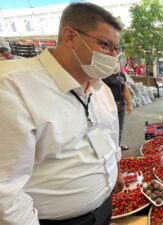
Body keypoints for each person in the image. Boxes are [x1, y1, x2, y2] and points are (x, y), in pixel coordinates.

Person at [0, 3, 125, 225]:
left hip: (105, 208)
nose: (113, 56)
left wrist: (116, 170)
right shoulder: (11, 87)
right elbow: (5, 192)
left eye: (116, 49)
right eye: (105, 45)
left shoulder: (100, 89)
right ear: (70, 36)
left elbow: (109, 136)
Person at [103, 62, 133, 151]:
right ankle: (109, 148)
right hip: (108, 106)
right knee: (109, 128)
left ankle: (118, 145)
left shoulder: (121, 75)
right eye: (114, 61)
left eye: (117, 61)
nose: (116, 63)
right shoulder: (104, 75)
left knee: (119, 128)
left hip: (121, 105)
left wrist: (129, 104)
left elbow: (125, 90)